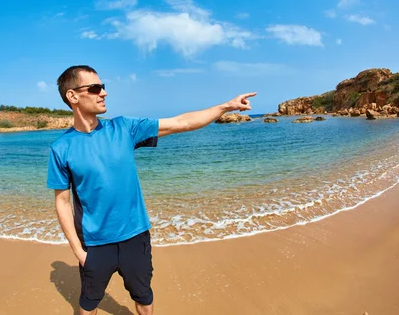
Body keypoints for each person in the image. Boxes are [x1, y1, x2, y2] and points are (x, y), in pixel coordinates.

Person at [47, 65, 256, 315]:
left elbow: (182, 122)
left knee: (144, 299)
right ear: (73, 96)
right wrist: (79, 252)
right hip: (94, 245)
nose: (103, 93)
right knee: (88, 304)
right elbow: (62, 202)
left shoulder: (124, 129)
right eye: (95, 88)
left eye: (103, 87)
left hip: (136, 238)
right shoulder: (61, 148)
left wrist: (225, 106)